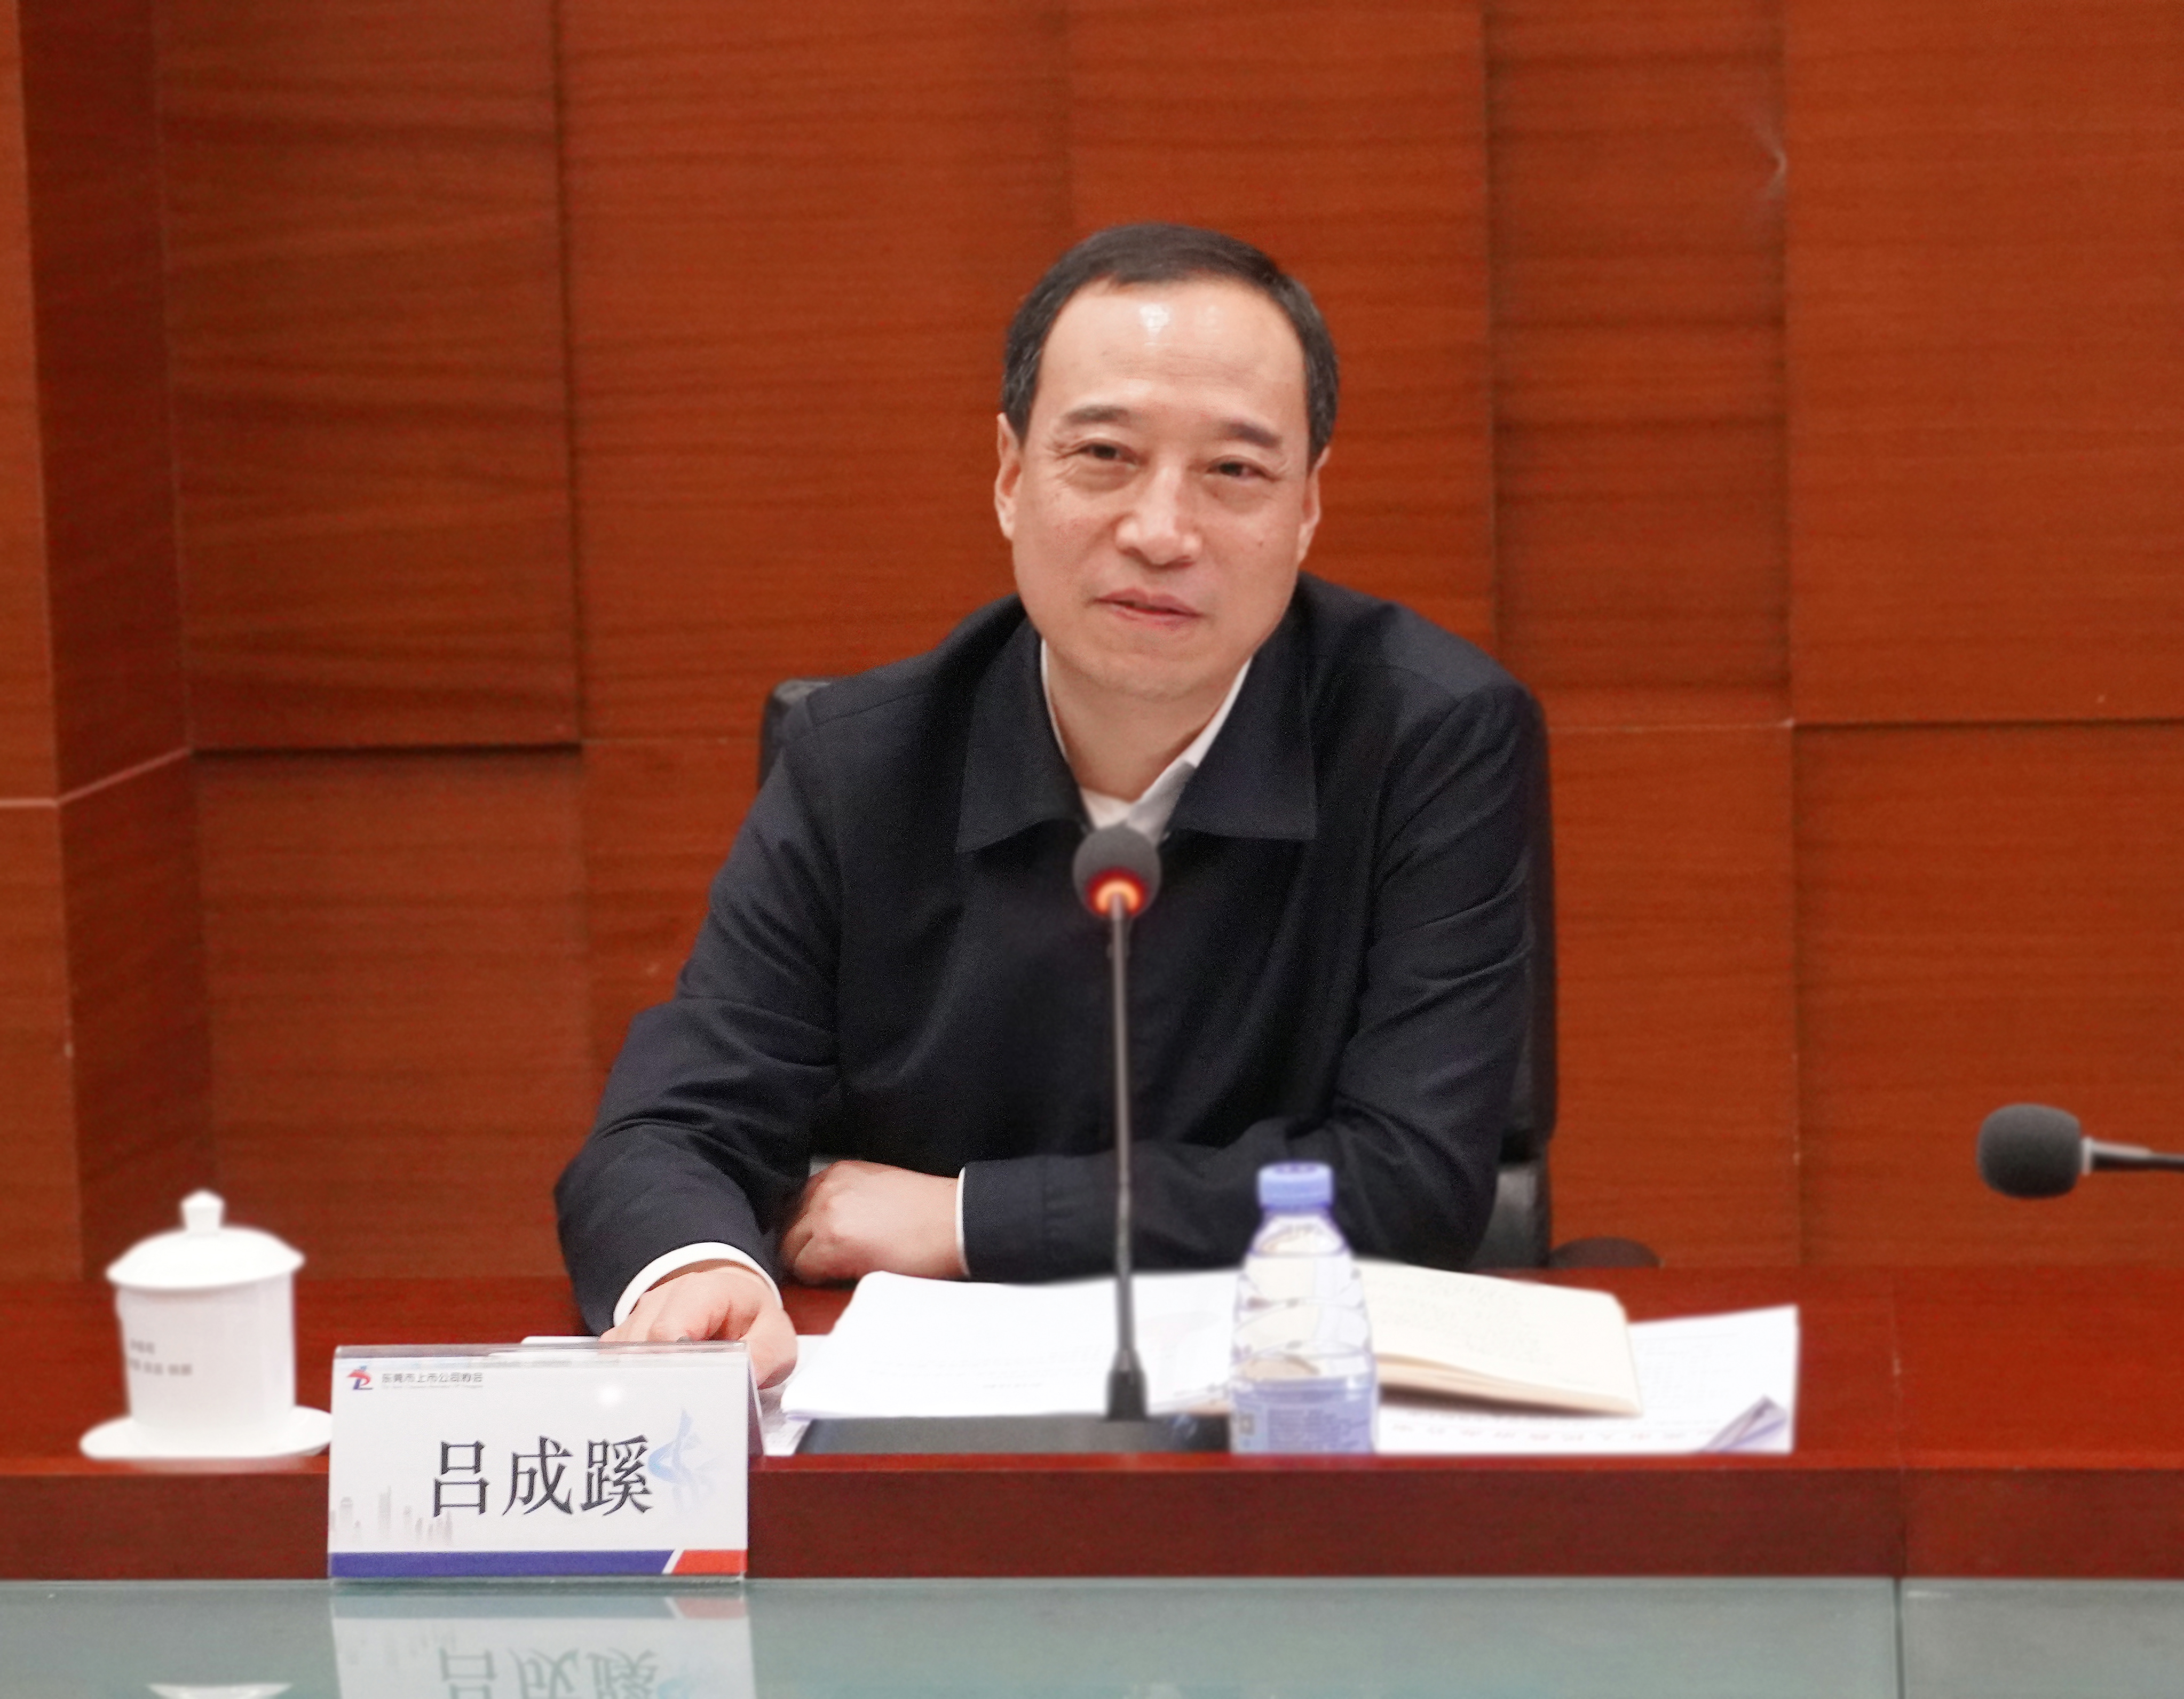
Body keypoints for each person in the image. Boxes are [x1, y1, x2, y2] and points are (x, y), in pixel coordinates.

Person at [556, 223, 1538, 1383]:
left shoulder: (1428, 737)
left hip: (1288, 1412)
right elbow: (670, 1126)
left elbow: (1412, 1179)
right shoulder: (859, 765)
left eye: (1234, 471)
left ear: (1308, 508)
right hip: (924, 1426)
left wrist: (970, 1218)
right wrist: (697, 1270)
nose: (1161, 533)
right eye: (1106, 454)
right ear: (1013, 477)